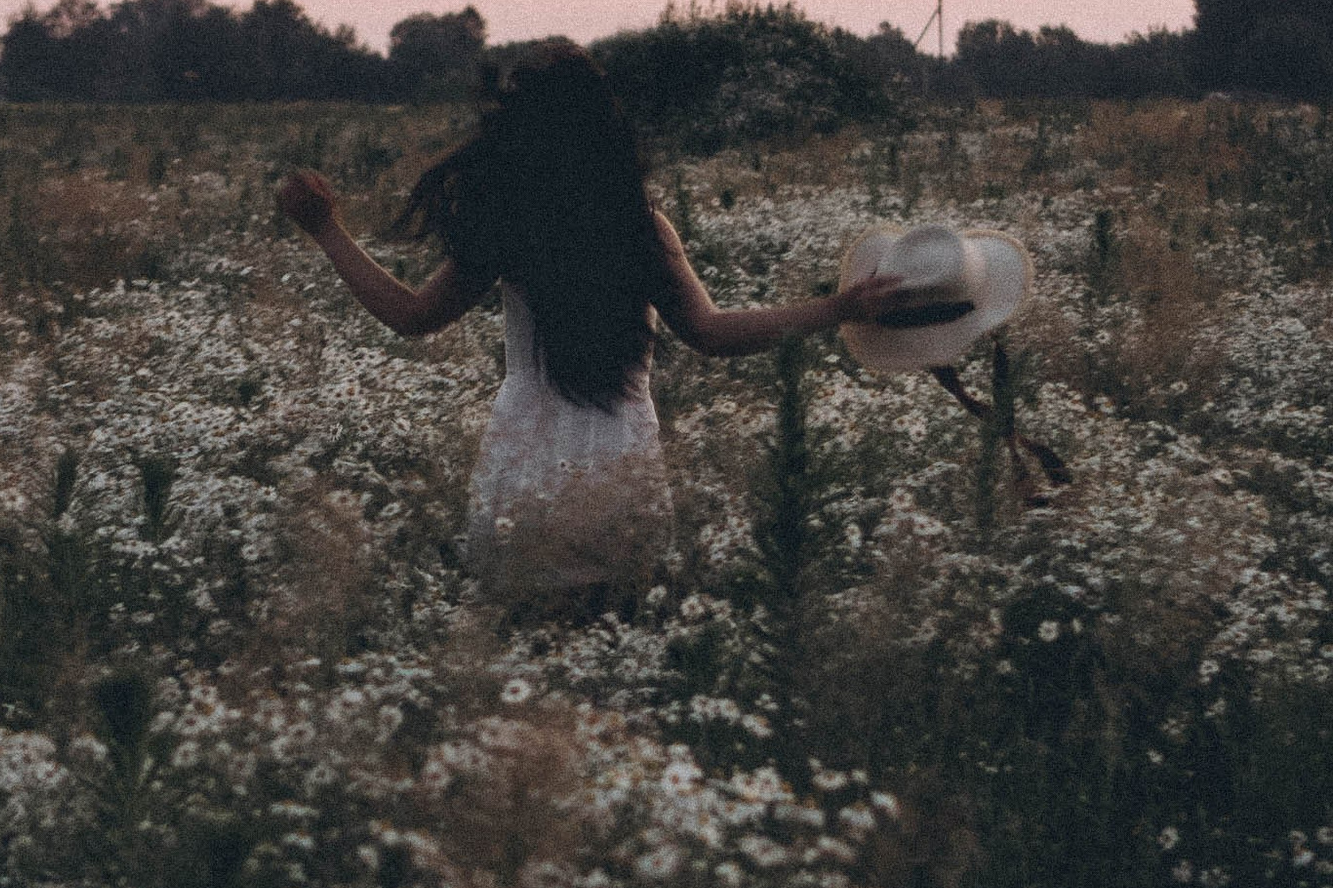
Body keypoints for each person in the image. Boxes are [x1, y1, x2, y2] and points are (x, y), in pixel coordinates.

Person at [276, 40, 922, 597]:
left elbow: (411, 317)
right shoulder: (641, 230)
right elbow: (711, 334)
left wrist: (326, 230)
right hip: (618, 458)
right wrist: (839, 308)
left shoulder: (510, 227)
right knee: (614, 651)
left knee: (524, 653)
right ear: (607, 132)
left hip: (524, 461)